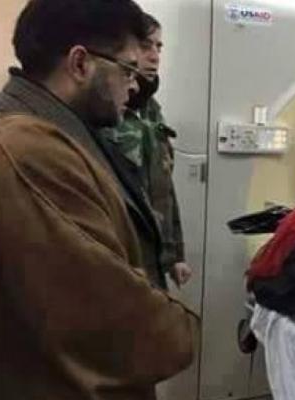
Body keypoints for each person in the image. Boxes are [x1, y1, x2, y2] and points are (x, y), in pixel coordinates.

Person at [0, 1, 199, 399]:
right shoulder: (27, 155)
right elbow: (114, 320)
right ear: (80, 64)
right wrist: (182, 328)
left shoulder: (28, 136)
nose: (134, 86)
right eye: (127, 70)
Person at [104, 13, 191, 289]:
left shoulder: (151, 110)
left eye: (158, 47)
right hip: (121, 257)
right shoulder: (104, 111)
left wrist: (174, 254)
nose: (154, 56)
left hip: (153, 257)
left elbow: (163, 187)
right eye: (145, 46)